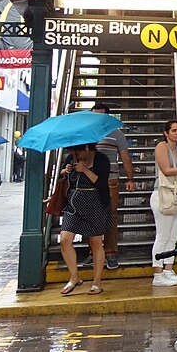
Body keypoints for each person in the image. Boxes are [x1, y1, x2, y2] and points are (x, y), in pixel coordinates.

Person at [57, 143, 109, 297]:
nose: (76, 156)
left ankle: (97, 281)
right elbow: (62, 175)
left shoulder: (101, 159)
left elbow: (101, 183)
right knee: (65, 239)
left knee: (95, 243)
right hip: (73, 204)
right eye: (73, 153)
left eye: (78, 153)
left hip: (96, 203)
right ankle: (74, 277)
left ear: (86, 149)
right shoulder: (70, 158)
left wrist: (85, 170)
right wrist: (65, 171)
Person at [90, 101, 136, 270]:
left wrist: (130, 179)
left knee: (111, 216)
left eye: (101, 115)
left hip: (111, 180)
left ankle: (110, 253)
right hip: (90, 180)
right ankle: (93, 251)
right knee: (91, 216)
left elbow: (125, 157)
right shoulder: (87, 134)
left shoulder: (116, 134)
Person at [150, 120, 177, 288]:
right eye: (173, 130)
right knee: (162, 235)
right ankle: (158, 273)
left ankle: (168, 269)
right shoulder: (162, 147)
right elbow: (166, 170)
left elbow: (175, 171)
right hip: (162, 195)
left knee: (173, 235)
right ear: (166, 133)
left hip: (175, 195)